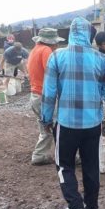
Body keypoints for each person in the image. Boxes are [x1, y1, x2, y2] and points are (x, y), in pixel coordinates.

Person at [41, 17, 105, 209]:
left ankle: (75, 206)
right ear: (89, 35)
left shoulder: (57, 57)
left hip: (66, 124)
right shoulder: (102, 59)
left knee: (63, 164)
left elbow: (48, 94)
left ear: (71, 33)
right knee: (91, 166)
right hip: (92, 124)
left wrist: (46, 119)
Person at [27, 28, 65, 165]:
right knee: (57, 126)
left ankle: (39, 155)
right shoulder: (46, 51)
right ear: (50, 42)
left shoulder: (34, 50)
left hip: (35, 94)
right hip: (44, 97)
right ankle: (66, 156)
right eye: (56, 43)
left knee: (46, 128)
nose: (57, 46)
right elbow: (53, 73)